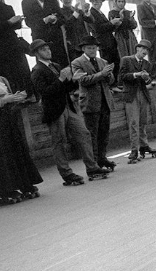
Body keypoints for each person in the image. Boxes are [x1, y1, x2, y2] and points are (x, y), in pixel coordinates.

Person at [29, 39, 110, 185]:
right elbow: (45, 92)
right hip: (54, 110)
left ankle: (92, 167)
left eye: (48, 48)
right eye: (43, 49)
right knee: (59, 141)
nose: (48, 51)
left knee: (84, 133)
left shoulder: (55, 66)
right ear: (36, 53)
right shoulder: (37, 71)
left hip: (68, 105)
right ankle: (66, 173)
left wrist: (73, 81)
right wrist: (61, 79)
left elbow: (65, 88)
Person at [0, 54, 42, 204]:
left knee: (17, 151)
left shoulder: (1, 79)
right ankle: (6, 189)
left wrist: (16, 98)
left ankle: (25, 183)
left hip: (8, 119)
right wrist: (4, 100)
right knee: (2, 155)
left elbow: (9, 98)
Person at [71, 36, 117, 172]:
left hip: (105, 101)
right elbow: (83, 80)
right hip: (90, 103)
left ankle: (102, 158)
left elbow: (110, 81)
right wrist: (102, 74)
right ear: (83, 49)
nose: (93, 50)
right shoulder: (77, 62)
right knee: (92, 134)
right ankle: (94, 162)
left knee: (104, 133)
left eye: (94, 48)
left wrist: (109, 75)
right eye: (89, 48)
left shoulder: (103, 61)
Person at [118, 39, 156, 163]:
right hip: (131, 95)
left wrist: (147, 79)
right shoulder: (126, 60)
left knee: (142, 122)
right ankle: (134, 149)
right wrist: (136, 75)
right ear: (137, 48)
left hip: (143, 94)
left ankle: (144, 145)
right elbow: (121, 77)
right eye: (143, 48)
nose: (145, 51)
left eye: (147, 50)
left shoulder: (147, 64)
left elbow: (149, 80)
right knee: (134, 122)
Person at [0, 0, 34, 97]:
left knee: (21, 69)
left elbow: (15, 27)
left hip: (13, 44)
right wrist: (9, 22)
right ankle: (11, 97)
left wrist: (18, 21)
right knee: (6, 72)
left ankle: (27, 95)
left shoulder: (8, 7)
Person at [21, 0, 68, 68]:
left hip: (56, 41)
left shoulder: (53, 2)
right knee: (44, 66)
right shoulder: (27, 3)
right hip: (40, 41)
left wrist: (55, 20)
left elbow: (62, 19)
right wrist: (44, 20)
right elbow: (29, 22)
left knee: (61, 65)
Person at [83, 0, 120, 83]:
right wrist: (111, 23)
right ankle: (110, 84)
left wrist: (115, 24)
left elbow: (107, 28)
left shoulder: (100, 12)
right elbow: (97, 28)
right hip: (103, 42)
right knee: (107, 63)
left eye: (98, 1)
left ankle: (115, 82)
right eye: (94, 1)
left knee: (115, 62)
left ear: (101, 2)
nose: (96, 2)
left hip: (110, 41)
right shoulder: (91, 13)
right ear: (91, 2)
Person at [57, 0, 90, 64]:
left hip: (84, 43)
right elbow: (67, 24)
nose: (67, 0)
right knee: (77, 65)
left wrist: (87, 11)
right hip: (73, 45)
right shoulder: (61, 11)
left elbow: (90, 20)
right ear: (61, 0)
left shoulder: (79, 10)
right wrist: (75, 13)